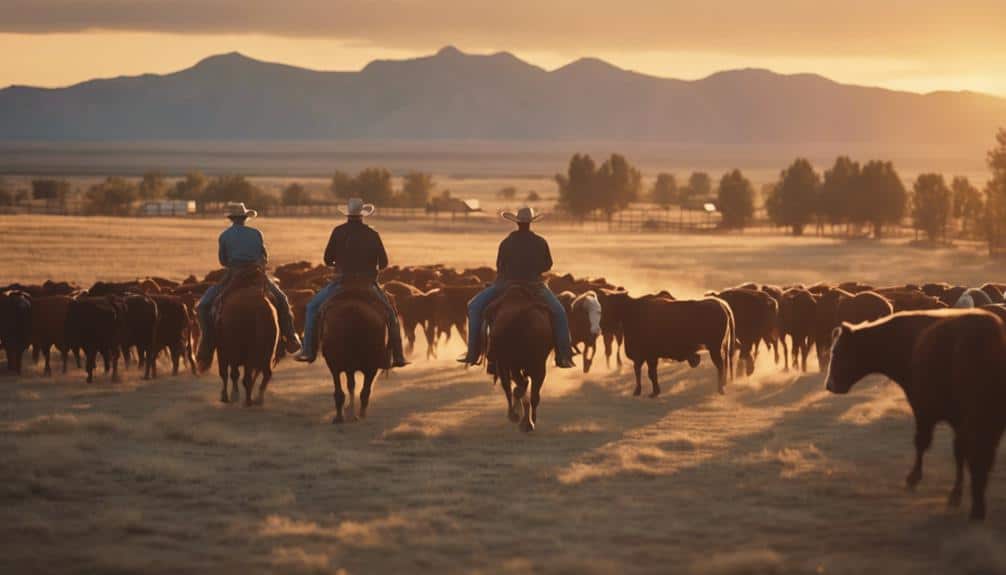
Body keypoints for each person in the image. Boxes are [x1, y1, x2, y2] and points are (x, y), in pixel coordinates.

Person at [294, 198, 408, 368]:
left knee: (312, 308)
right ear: (362, 215)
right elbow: (383, 263)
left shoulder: (338, 231)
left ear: (347, 214)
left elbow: (327, 259)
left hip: (341, 283)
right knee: (391, 315)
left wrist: (340, 265)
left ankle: (308, 350)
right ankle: (398, 355)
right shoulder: (372, 234)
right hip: (367, 284)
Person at [459, 206, 574, 368]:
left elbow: (499, 265)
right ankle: (564, 355)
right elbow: (547, 264)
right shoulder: (540, 242)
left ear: (517, 223)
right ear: (531, 223)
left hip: (505, 285)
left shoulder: (506, 242)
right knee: (560, 313)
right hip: (535, 286)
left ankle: (473, 353)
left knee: (474, 306)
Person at [196, 202, 301, 372]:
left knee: (204, 305)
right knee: (281, 299)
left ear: (231, 218)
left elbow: (223, 261)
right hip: (256, 274)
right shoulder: (256, 233)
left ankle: (206, 346)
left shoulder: (224, 236)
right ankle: (290, 337)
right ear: (245, 217)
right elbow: (264, 256)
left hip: (234, 275)